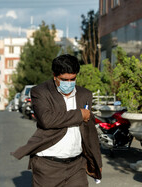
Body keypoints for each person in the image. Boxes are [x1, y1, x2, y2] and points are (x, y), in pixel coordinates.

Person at [11, 54, 102, 186]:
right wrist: (79, 114)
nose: (69, 84)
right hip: (47, 167)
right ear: (55, 76)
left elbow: (89, 131)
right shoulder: (41, 92)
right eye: (65, 80)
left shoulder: (84, 94)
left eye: (73, 79)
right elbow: (46, 119)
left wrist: (97, 162)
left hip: (76, 166)